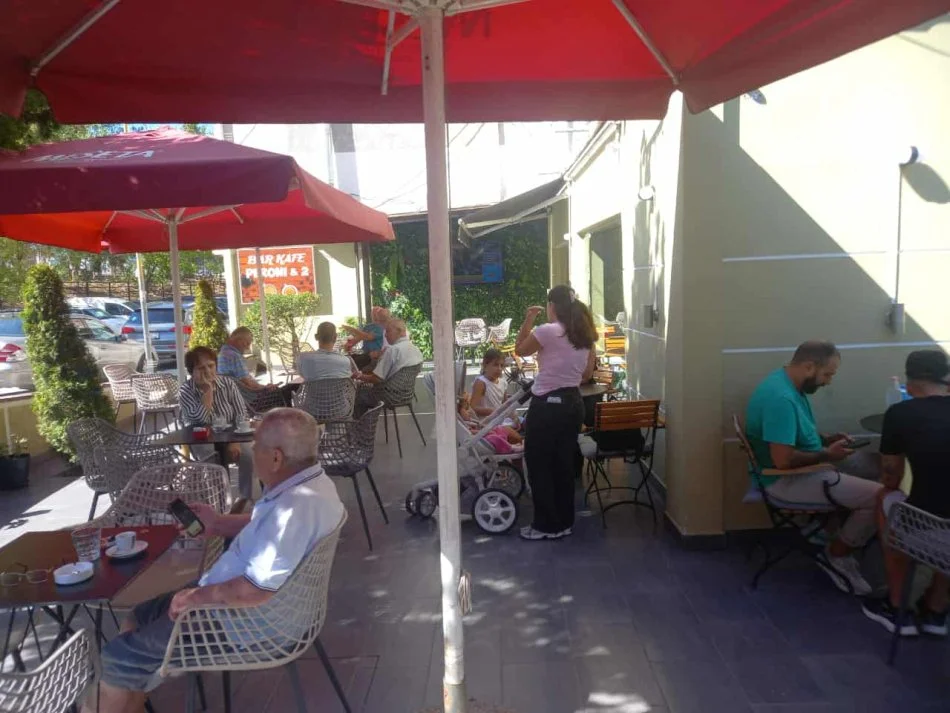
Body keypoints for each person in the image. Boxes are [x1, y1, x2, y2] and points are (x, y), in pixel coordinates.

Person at [83, 408, 345, 713]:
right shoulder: (312, 485)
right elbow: (264, 525)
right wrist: (218, 523)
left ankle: (117, 687)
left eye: (256, 446)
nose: (251, 451)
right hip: (254, 608)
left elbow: (253, 590)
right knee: (139, 617)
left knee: (117, 659)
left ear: (276, 458)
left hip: (245, 622)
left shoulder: (293, 510)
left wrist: (197, 596)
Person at [745, 340, 882, 595]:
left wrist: (825, 439)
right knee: (881, 497)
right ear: (809, 366)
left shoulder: (785, 383)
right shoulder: (781, 399)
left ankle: (828, 532)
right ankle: (837, 554)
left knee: (879, 466)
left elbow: (793, 432)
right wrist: (827, 454)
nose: (828, 382)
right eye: (827, 374)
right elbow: (783, 460)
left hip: (810, 468)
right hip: (785, 480)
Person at [861, 350, 950, 636]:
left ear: (909, 384)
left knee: (885, 498)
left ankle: (898, 606)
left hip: (931, 531)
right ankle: (937, 609)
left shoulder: (900, 414)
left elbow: (891, 477)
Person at [515, 285, 597, 540]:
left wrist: (529, 318)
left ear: (552, 306)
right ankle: (563, 523)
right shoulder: (584, 334)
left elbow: (520, 349)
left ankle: (545, 526)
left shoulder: (547, 331)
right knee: (563, 464)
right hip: (573, 403)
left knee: (539, 463)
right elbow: (587, 374)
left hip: (547, 405)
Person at [179, 346, 254, 498]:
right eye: (201, 368)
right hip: (201, 439)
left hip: (231, 436)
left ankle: (245, 498)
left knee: (248, 455)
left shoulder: (228, 383)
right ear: (192, 372)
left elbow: (241, 414)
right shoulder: (186, 390)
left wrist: (234, 442)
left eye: (211, 366)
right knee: (211, 459)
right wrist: (208, 392)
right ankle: (220, 500)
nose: (208, 371)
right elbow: (199, 421)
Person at [354, 319, 423, 415]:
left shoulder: (393, 350)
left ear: (399, 331)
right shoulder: (416, 350)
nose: (385, 335)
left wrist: (359, 376)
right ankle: (366, 423)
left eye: (388, 331)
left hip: (386, 396)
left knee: (356, 395)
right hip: (406, 394)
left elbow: (377, 379)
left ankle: (360, 425)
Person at [217, 326, 292, 407]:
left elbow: (245, 382)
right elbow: (248, 383)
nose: (247, 347)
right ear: (238, 340)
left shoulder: (222, 354)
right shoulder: (234, 356)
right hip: (252, 401)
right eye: (247, 343)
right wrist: (265, 388)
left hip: (239, 399)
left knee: (286, 390)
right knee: (289, 390)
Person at [471, 348, 506, 418]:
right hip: (486, 421)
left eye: (501, 365)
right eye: (495, 365)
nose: (499, 368)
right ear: (485, 365)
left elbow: (505, 403)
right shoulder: (481, 383)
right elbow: (473, 408)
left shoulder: (503, 382)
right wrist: (491, 411)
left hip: (499, 419)